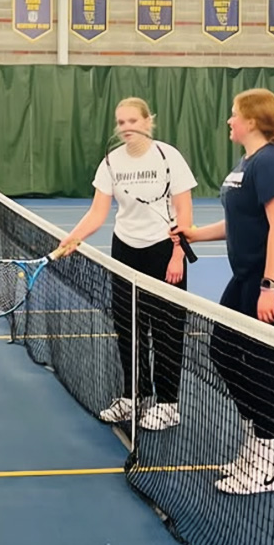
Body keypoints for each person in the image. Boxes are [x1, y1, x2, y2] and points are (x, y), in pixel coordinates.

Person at [173, 88, 274, 495]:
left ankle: (265, 461)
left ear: (251, 120)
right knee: (224, 350)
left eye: (234, 115)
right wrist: (195, 233)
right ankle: (256, 438)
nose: (229, 120)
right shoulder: (247, 163)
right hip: (248, 273)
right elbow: (242, 224)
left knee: (259, 362)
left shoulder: (269, 163)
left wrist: (271, 285)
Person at [60, 97, 197, 431]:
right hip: (125, 250)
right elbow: (97, 212)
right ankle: (133, 395)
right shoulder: (110, 162)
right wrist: (72, 238)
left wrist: (178, 253)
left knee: (166, 330)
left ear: (148, 121)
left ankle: (168, 404)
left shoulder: (169, 157)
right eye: (121, 123)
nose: (126, 128)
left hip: (165, 250)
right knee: (128, 327)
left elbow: (185, 212)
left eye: (133, 121)